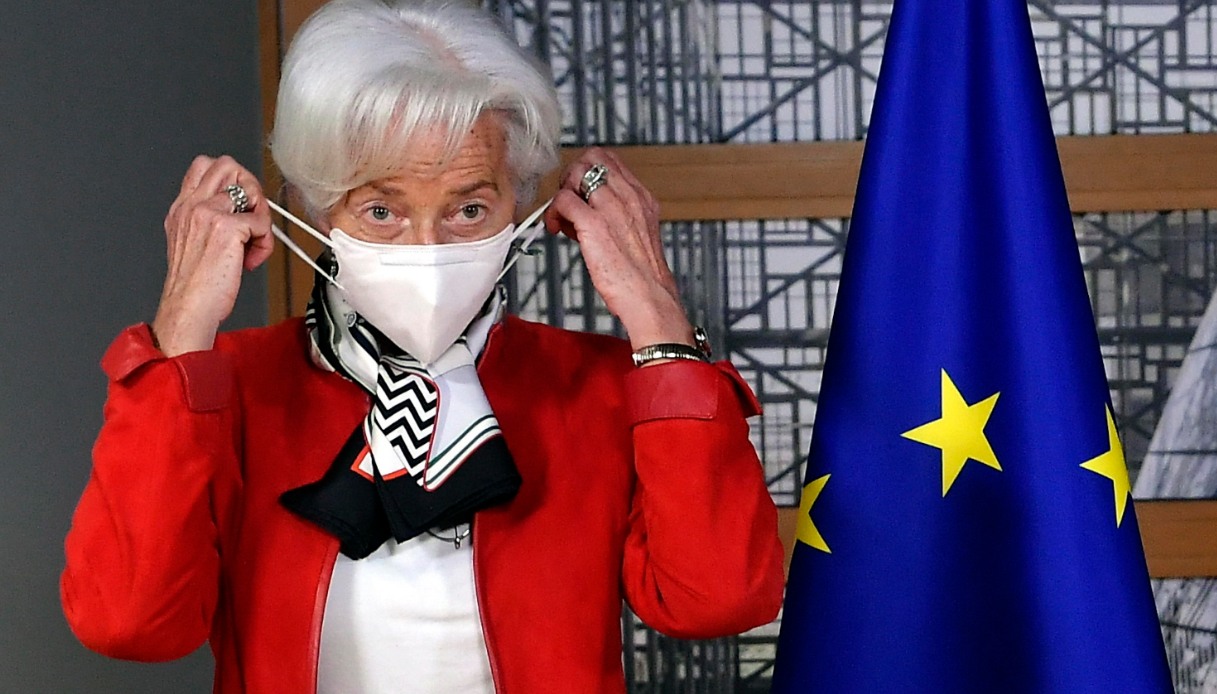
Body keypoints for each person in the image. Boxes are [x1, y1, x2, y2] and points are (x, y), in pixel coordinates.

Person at [60, 1, 784, 692]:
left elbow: (717, 600)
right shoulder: (234, 388)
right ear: (315, 207)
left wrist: (658, 320)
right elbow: (129, 622)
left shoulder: (596, 385)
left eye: (469, 208)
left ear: (519, 203)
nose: (428, 248)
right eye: (381, 209)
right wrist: (181, 331)